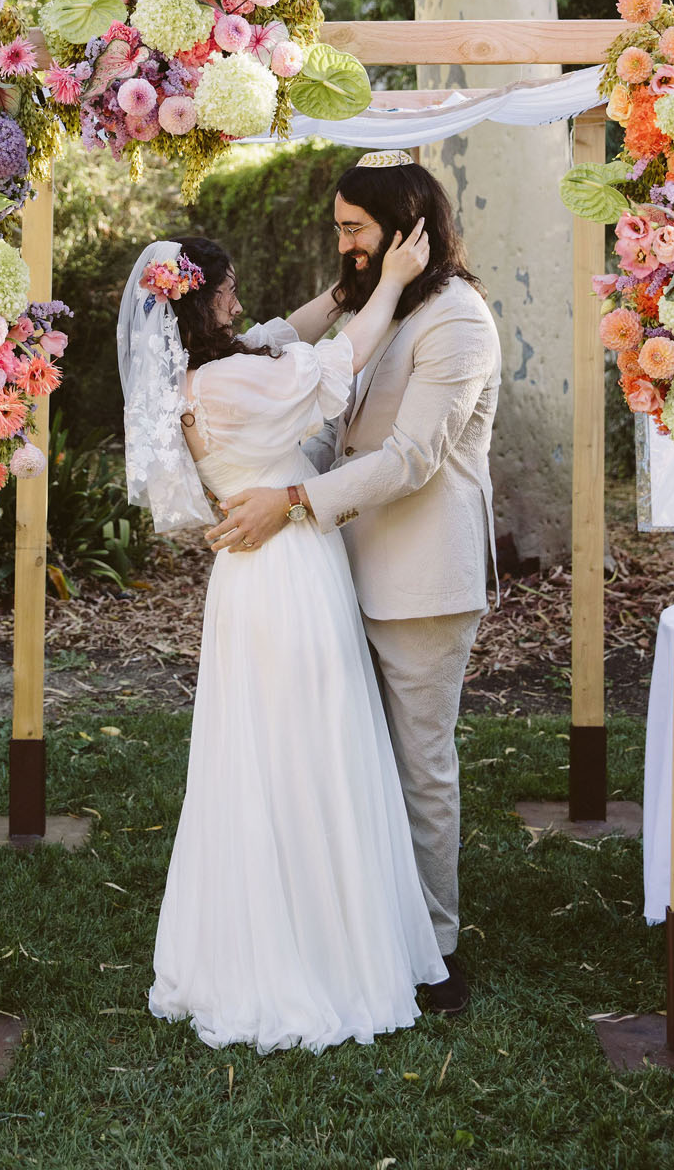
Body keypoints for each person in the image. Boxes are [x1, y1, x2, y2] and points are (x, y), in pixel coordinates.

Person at [119, 228, 447, 1052]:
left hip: (249, 583)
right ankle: (319, 957)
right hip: (289, 575)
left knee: (259, 752)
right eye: (227, 288)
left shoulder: (199, 377)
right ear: (203, 297)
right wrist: (390, 282)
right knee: (310, 746)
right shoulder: (232, 382)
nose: (238, 300)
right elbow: (336, 363)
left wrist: (340, 291)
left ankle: (281, 932)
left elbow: (290, 333)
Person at [208, 152, 501, 1015]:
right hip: (342, 570)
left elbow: (411, 459)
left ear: (408, 227)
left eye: (355, 229)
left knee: (418, 766)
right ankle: (371, 928)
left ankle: (435, 948)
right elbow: (271, 346)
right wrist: (348, 288)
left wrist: (292, 500)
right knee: (356, 761)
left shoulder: (458, 320)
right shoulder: (379, 302)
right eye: (339, 227)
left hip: (421, 581)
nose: (343, 243)